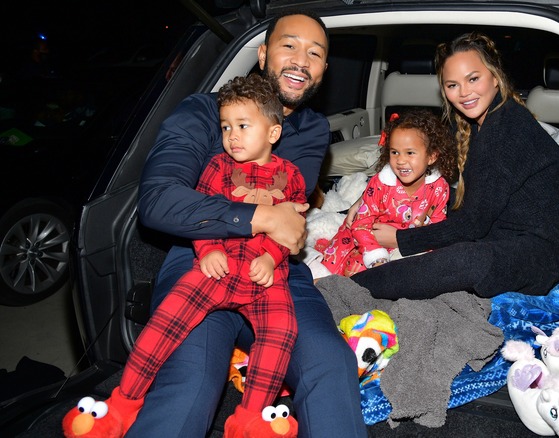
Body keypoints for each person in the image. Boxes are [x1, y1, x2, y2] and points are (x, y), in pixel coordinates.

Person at [130, 10, 367, 437]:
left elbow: (290, 220)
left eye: (314, 53)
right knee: (190, 383)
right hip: (202, 259)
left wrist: (264, 220)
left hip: (276, 271)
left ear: (324, 70)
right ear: (262, 54)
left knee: (331, 365)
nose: (301, 60)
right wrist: (256, 216)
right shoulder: (202, 112)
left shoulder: (312, 129)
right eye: (288, 45)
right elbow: (159, 199)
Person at [82, 73, 304, 436]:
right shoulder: (217, 167)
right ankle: (123, 402)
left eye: (243, 125)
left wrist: (271, 258)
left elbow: (292, 226)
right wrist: (208, 250)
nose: (231, 135)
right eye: (226, 126)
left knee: (281, 332)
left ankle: (251, 417)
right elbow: (202, 214)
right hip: (217, 267)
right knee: (165, 320)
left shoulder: (290, 175)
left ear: (273, 133)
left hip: (264, 276)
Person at [350, 31, 559, 300]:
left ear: (495, 78)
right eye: (452, 85)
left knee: (468, 260)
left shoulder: (507, 129)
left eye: (473, 79)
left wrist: (400, 240)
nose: (464, 93)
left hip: (554, 257)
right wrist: (371, 198)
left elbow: (473, 224)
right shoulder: (481, 122)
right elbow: (473, 198)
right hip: (518, 232)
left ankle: (348, 289)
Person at [316, 109, 457, 277]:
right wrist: (375, 254)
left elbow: (437, 226)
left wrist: (429, 252)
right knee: (350, 273)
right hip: (368, 239)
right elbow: (361, 223)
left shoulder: (439, 187)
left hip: (409, 242)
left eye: (410, 153)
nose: (401, 160)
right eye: (394, 152)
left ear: (432, 157)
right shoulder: (380, 184)